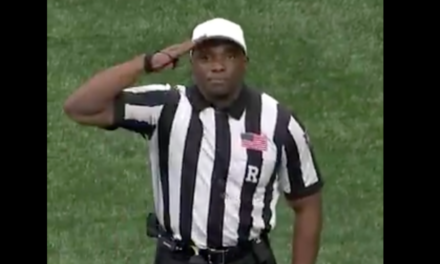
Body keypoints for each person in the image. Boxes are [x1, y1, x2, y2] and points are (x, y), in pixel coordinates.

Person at [64, 17, 323, 264]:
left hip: (246, 257)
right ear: (192, 63)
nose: (217, 66)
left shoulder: (280, 122)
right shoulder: (166, 106)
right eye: (205, 57)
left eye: (229, 56)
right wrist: (145, 63)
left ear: (245, 62)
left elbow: (307, 204)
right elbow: (79, 107)